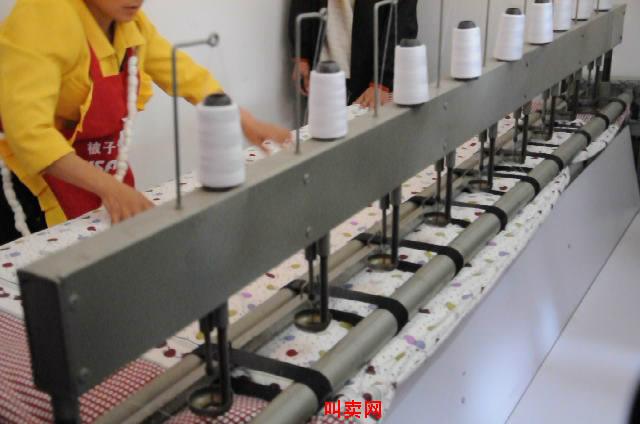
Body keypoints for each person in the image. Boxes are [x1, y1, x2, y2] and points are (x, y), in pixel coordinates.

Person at [0, 0, 291, 245]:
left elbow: (183, 73)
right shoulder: (44, 15)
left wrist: (243, 119)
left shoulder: (129, 25)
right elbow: (30, 134)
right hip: (29, 182)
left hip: (95, 164)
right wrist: (110, 189)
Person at [288, 0, 418, 107]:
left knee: (370, 129)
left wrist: (382, 80)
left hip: (371, 78)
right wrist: (302, 54)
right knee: (324, 129)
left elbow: (402, 20)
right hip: (323, 69)